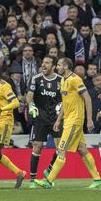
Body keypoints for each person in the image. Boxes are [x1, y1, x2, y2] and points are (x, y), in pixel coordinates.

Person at [35, 57, 101, 189]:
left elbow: (87, 98)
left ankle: (48, 181)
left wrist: (89, 119)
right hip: (68, 119)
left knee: (61, 149)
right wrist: (58, 120)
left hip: (75, 120)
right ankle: (98, 179)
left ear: (65, 67)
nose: (57, 67)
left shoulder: (75, 79)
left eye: (59, 65)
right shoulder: (63, 80)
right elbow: (66, 103)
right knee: (82, 149)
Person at [26, 56, 62, 188]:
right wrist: (31, 105)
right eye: (43, 62)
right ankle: (32, 180)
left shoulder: (61, 80)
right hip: (40, 118)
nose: (44, 65)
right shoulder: (36, 79)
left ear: (53, 66)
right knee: (37, 146)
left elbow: (64, 98)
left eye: (47, 63)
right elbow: (29, 95)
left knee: (60, 148)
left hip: (55, 119)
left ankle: (49, 170)